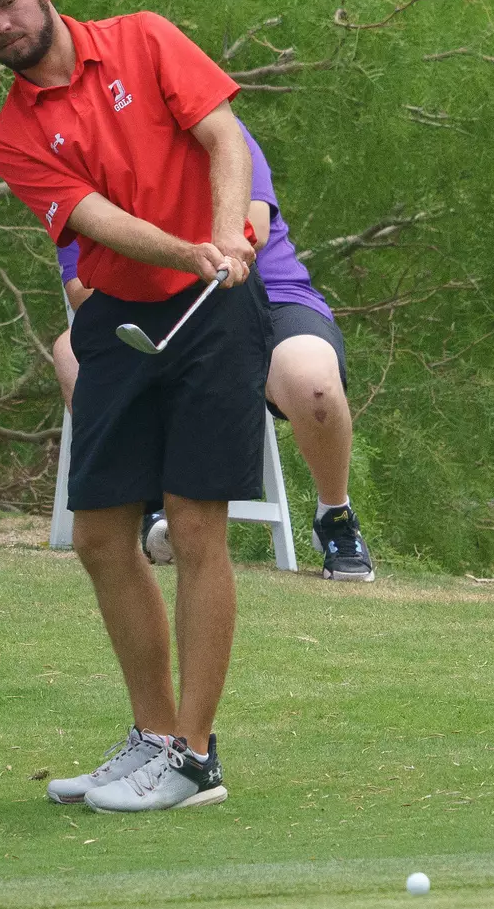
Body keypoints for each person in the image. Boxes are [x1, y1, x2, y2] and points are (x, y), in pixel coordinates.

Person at [0, 0, 256, 813]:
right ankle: (155, 736)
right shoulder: (12, 135)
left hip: (215, 310)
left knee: (197, 526)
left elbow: (223, 136)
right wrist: (189, 249)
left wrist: (228, 234)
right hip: (120, 317)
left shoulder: (144, 38)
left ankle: (196, 759)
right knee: (98, 537)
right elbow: (93, 217)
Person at [53, 119, 375, 583]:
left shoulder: (216, 129)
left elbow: (252, 233)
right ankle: (149, 508)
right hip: (149, 311)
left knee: (316, 388)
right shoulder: (82, 164)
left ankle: (335, 518)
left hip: (268, 294)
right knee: (72, 353)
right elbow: (83, 291)